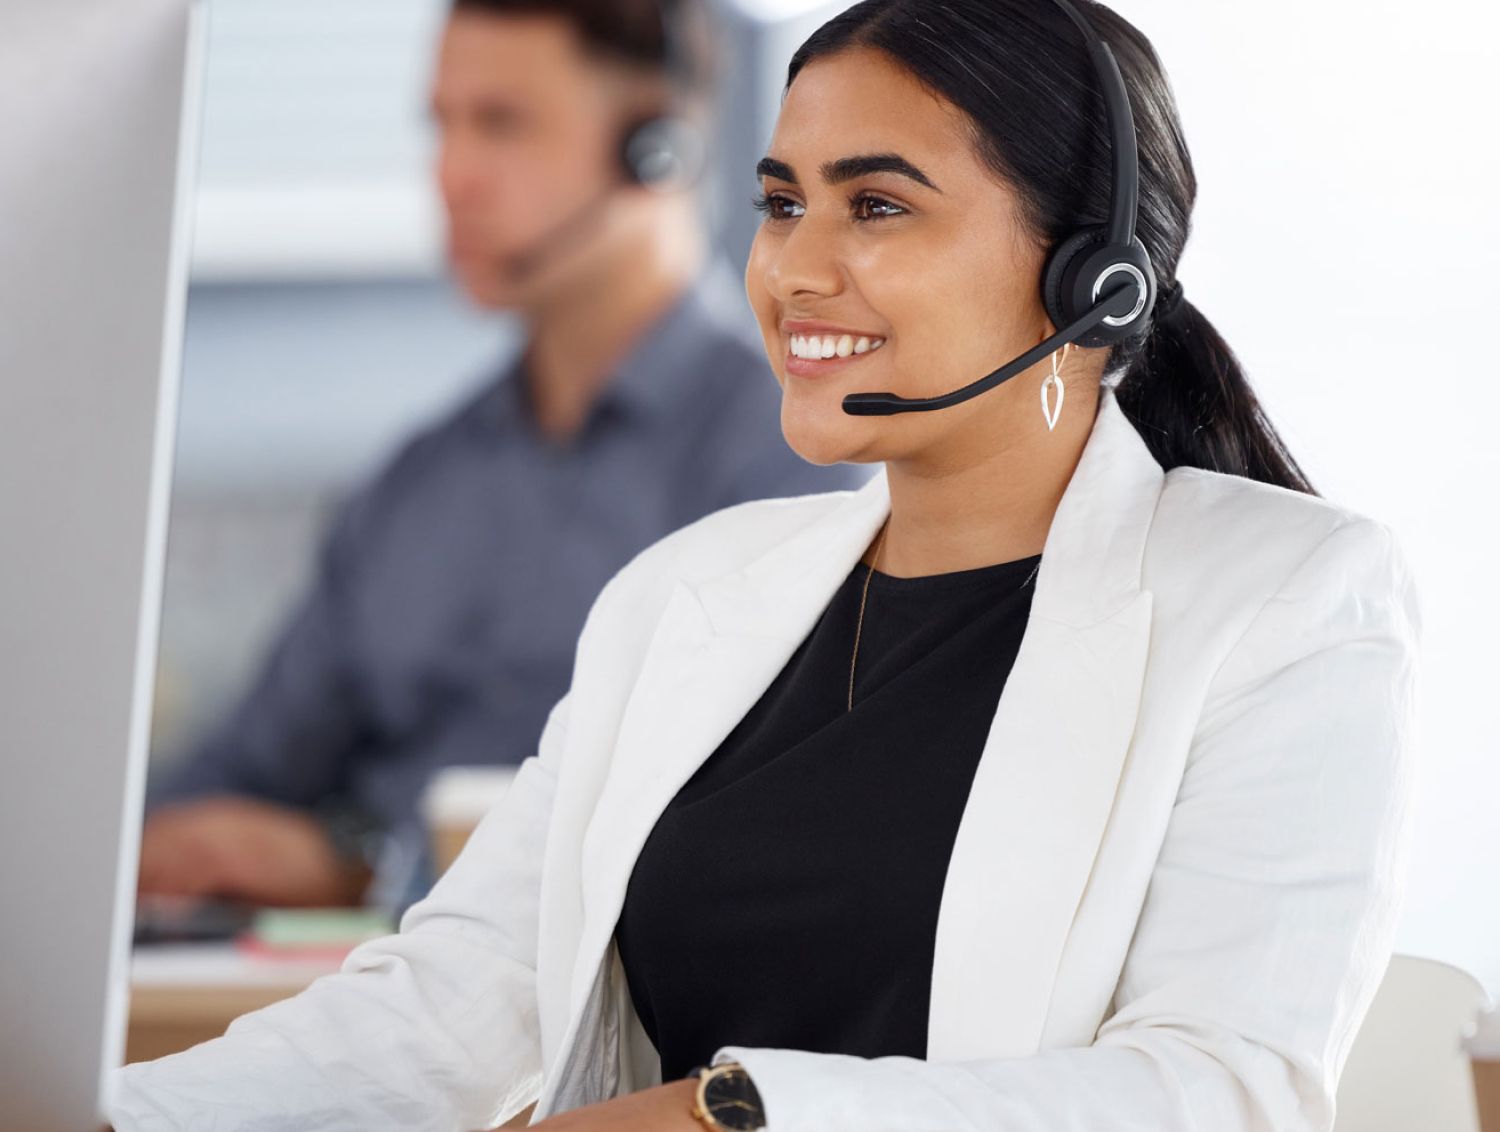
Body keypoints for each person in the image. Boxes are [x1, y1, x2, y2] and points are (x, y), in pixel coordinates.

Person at [109, 1, 1421, 1129]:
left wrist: (730, 1112)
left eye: (879, 206)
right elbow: (456, 999)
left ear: (1094, 286)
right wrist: (95, 1113)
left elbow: (1219, 1091)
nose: (794, 268)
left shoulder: (1289, 601)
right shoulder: (684, 597)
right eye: (782, 202)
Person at [136, 0, 867, 912]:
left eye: (501, 124)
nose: (450, 175)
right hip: (348, 988)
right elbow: (242, 769)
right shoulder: (419, 480)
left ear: (658, 148)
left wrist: (363, 865)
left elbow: (725, 825)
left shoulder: (795, 454)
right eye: (441, 125)